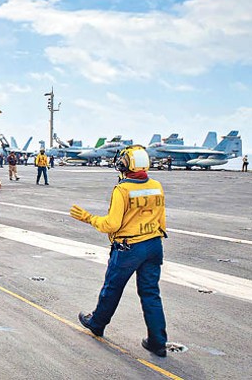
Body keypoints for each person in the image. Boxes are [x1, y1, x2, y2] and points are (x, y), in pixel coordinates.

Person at [70, 145, 168, 357]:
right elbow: (161, 219)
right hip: (154, 245)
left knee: (112, 288)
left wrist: (87, 218)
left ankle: (97, 323)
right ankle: (158, 342)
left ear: (125, 164)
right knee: (151, 294)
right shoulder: (156, 185)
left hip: (129, 248)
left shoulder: (123, 189)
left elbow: (111, 225)